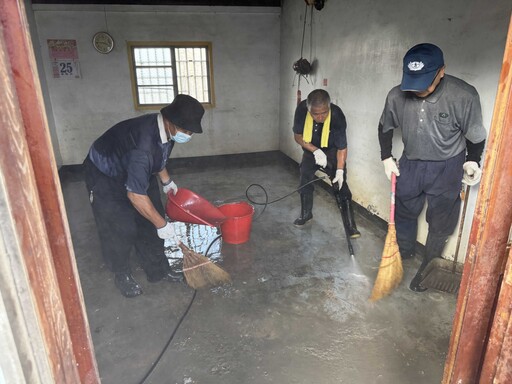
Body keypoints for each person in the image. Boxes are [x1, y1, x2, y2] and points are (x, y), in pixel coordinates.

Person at [378, 43, 486, 292]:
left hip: (447, 166)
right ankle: (404, 252)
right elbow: (384, 126)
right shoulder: (397, 95)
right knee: (404, 210)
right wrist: (386, 157)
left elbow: (476, 136)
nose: (418, 89)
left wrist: (473, 160)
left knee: (440, 220)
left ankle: (428, 267)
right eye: (413, 81)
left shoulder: (464, 95)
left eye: (426, 80)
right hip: (411, 162)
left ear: (441, 72)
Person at [83, 94, 205, 298]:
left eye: (191, 131)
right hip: (106, 173)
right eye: (185, 131)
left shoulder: (167, 131)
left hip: (135, 167)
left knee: (151, 219)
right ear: (169, 121)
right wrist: (163, 226)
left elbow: (160, 156)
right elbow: (136, 195)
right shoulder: (143, 146)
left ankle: (157, 269)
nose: (188, 135)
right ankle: (121, 273)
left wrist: (166, 181)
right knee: (120, 227)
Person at [292, 89, 360, 238]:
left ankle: (350, 226)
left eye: (324, 112)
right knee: (304, 178)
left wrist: (340, 171)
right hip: (311, 148)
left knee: (341, 185)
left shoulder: (336, 115)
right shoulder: (302, 110)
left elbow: (342, 147)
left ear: (329, 106)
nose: (320, 117)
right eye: (315, 114)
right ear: (308, 109)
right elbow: (297, 136)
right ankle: (306, 214)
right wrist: (315, 150)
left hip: (332, 151)